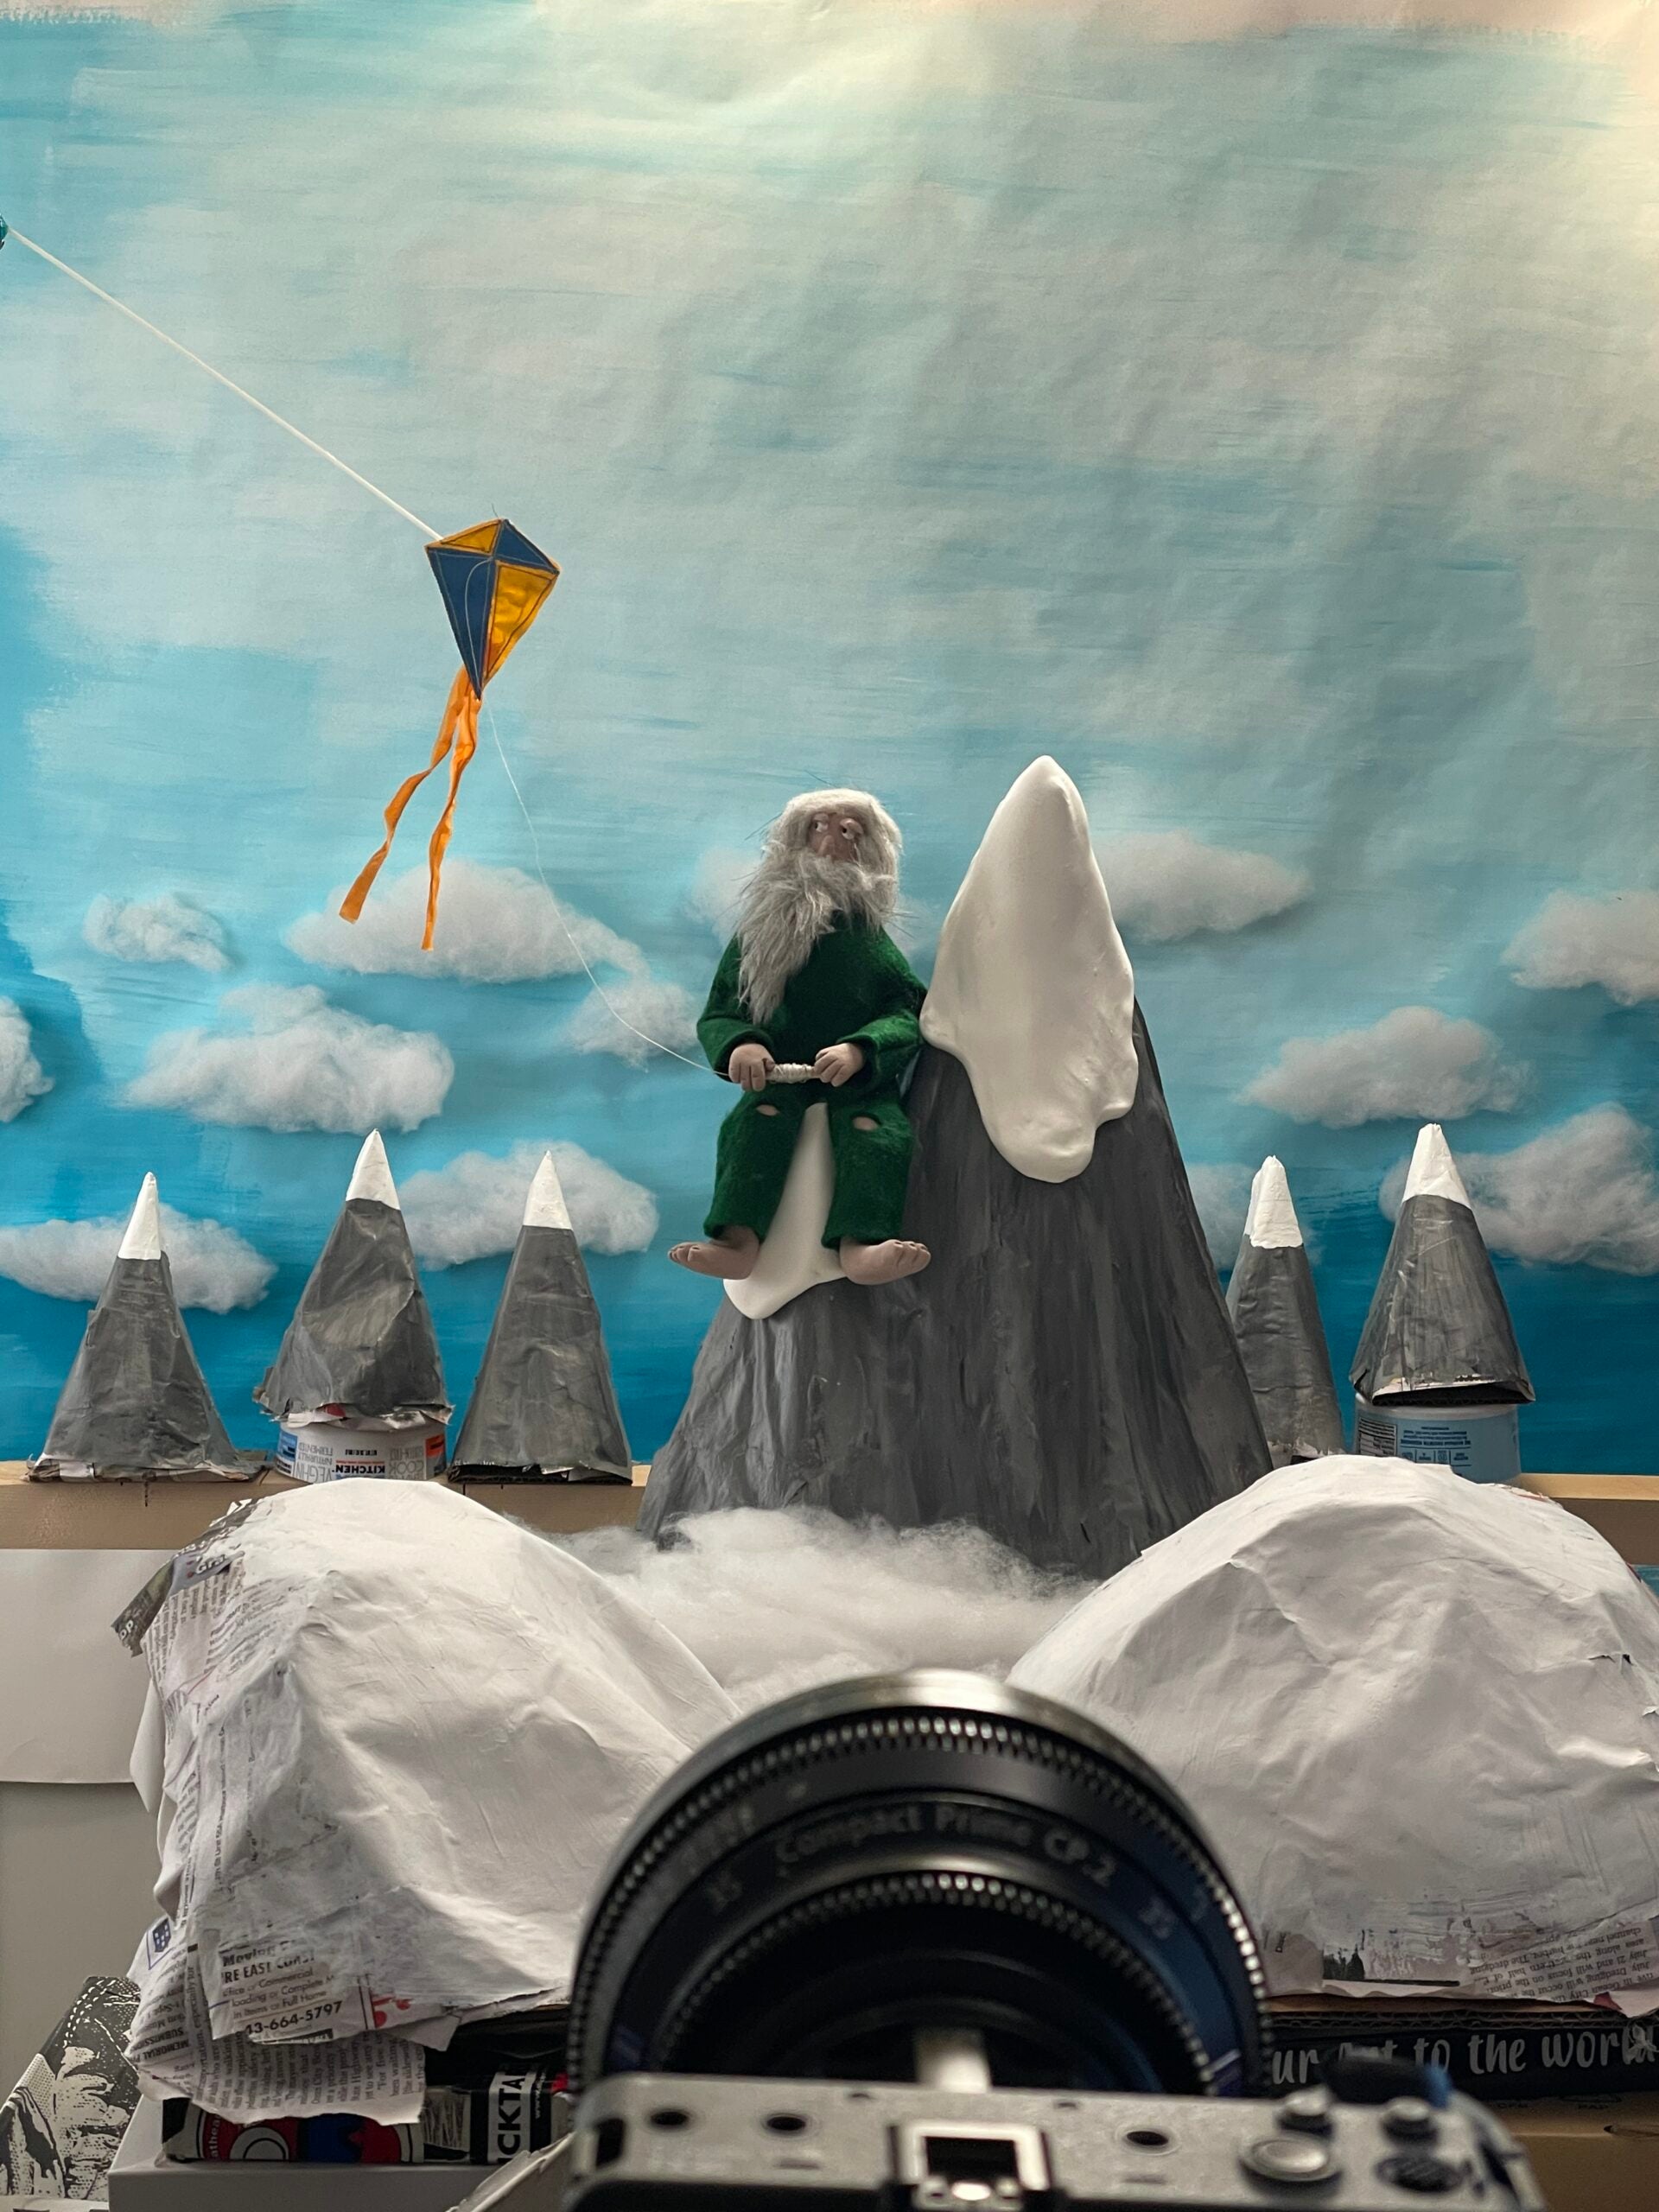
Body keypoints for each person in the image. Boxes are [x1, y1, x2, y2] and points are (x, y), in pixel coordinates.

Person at [671, 789, 931, 1287]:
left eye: (850, 830)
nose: (833, 839)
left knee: (875, 1134)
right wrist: (742, 1044)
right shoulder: (759, 938)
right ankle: (738, 1240)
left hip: (856, 1086)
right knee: (754, 1125)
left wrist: (862, 1048)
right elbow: (723, 1008)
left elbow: (906, 1010)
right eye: (819, 826)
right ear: (794, 838)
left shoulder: (869, 942)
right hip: (780, 1079)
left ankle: (861, 1243)